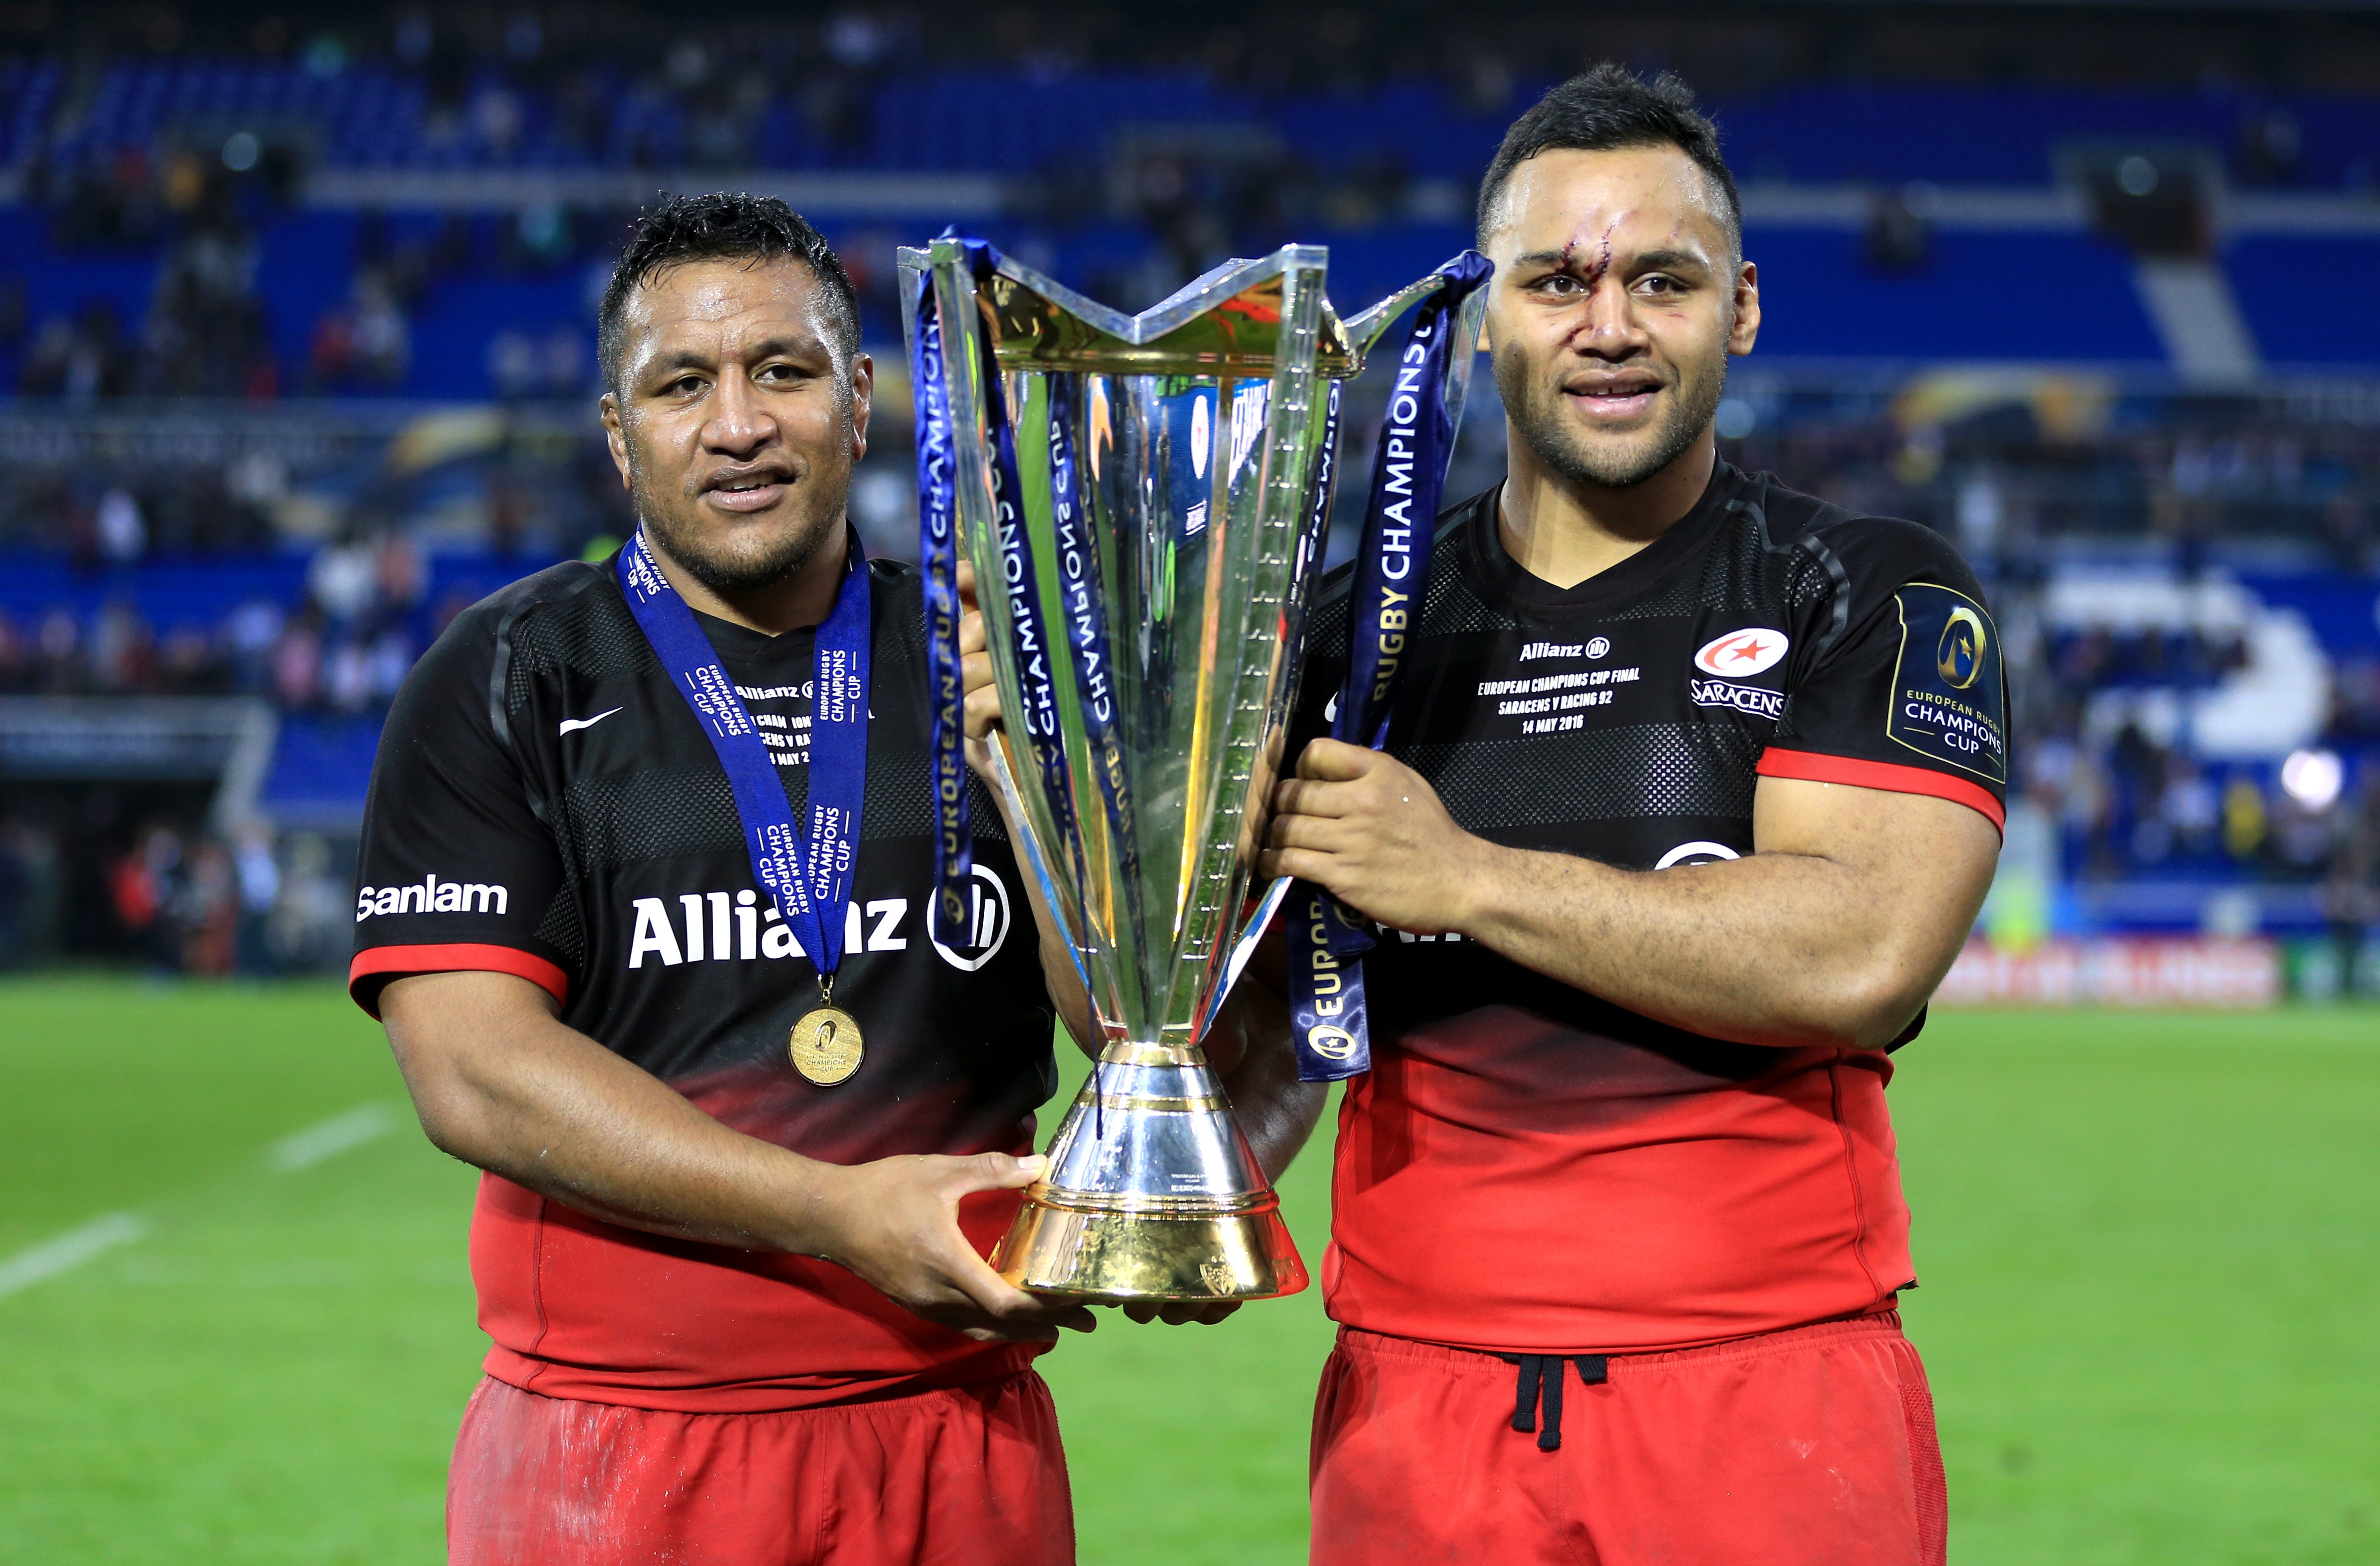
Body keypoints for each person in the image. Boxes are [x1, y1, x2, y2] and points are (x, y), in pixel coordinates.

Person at [351, 193, 1274, 1566]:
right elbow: (472, 1071)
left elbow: (1129, 1028)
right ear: (619, 436)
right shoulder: (511, 674)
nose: (737, 425)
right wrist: (838, 1215)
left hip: (952, 1433)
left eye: (781, 371)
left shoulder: (992, 656)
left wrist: (1037, 787)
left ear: (856, 403)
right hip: (620, 1448)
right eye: (682, 385)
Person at [1255, 67, 2006, 1566]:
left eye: (1660, 279)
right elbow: (1246, 1018)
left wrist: (1462, 874)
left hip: (1764, 1400)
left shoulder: (1859, 585)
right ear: (1487, 318)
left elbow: (1857, 950)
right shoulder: (1348, 637)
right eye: (1557, 281)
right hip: (1417, 1408)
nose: (1607, 324)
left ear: (1737, 307)